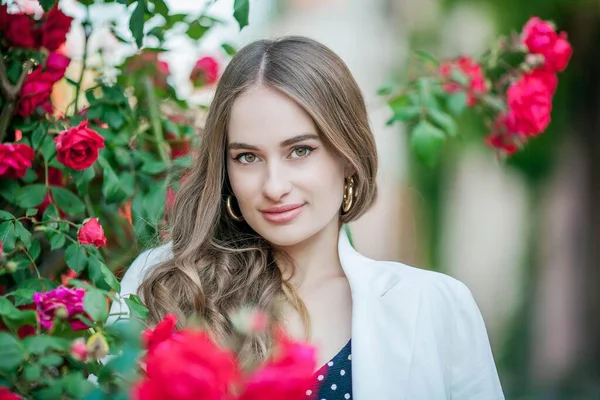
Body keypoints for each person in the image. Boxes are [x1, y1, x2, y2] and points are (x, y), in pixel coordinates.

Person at [110, 36, 504, 399]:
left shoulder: (434, 306)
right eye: (248, 157)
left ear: (347, 156)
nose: (274, 186)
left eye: (300, 150)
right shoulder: (164, 285)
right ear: (225, 170)